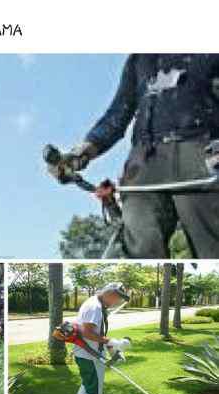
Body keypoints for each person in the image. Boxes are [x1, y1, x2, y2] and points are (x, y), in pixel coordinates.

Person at [50, 54, 219, 258]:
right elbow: (118, 114)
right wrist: (80, 154)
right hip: (145, 159)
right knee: (141, 245)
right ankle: (153, 288)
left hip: (201, 150)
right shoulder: (139, 60)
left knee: (211, 249)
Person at [72, 283, 129, 394]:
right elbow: (87, 332)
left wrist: (112, 349)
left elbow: (98, 332)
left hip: (86, 353)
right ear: (110, 294)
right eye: (118, 298)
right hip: (88, 355)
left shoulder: (96, 303)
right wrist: (110, 341)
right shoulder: (95, 307)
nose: (117, 302)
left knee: (86, 384)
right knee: (93, 391)